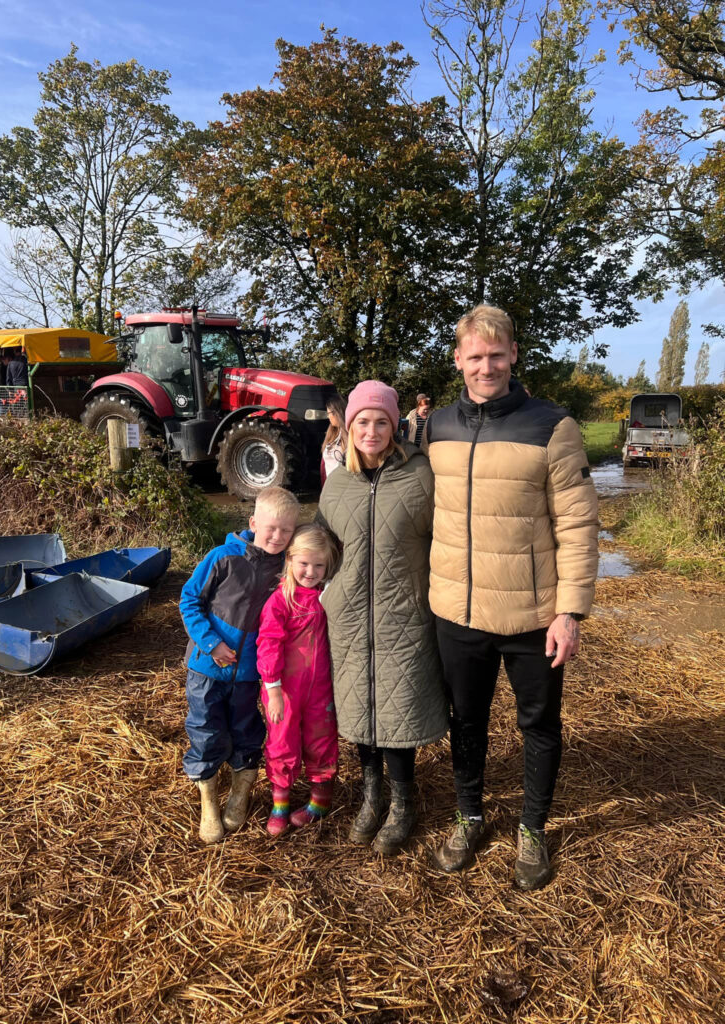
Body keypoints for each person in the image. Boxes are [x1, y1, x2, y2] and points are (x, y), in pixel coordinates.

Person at [427, 304, 599, 890]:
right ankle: (469, 814)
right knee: (466, 720)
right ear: (459, 360)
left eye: (496, 355)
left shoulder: (552, 426)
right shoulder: (437, 427)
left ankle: (531, 828)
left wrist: (569, 611)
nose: (486, 366)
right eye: (475, 356)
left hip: (531, 613)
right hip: (457, 610)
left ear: (514, 356)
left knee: (539, 723)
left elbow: (578, 525)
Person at [318, 380, 448, 856]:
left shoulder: (421, 477)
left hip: (403, 614)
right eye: (362, 422)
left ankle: (403, 801)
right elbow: (323, 539)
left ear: (396, 426)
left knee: (396, 711)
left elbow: (447, 540)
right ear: (348, 427)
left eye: (381, 422)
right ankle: (371, 795)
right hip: (350, 616)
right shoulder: (338, 482)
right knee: (358, 708)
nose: (370, 430)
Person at [179, 485, 300, 844]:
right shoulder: (223, 557)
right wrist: (211, 642)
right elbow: (189, 600)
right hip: (206, 668)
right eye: (271, 528)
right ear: (253, 522)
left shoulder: (287, 571)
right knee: (205, 727)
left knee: (247, 729)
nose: (277, 537)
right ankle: (208, 801)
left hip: (250, 673)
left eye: (286, 531)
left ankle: (240, 791)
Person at [257, 524, 339, 836]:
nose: (311, 571)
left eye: (319, 565)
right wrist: (273, 689)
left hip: (320, 688)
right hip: (285, 691)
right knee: (281, 741)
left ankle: (320, 799)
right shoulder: (279, 602)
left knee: (321, 739)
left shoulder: (326, 596)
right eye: (304, 563)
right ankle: (281, 803)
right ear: (290, 560)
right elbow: (268, 644)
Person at [320, 393, 348, 484]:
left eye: (329, 413)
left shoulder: (350, 435)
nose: (328, 417)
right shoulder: (331, 434)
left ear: (336, 413)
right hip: (330, 487)